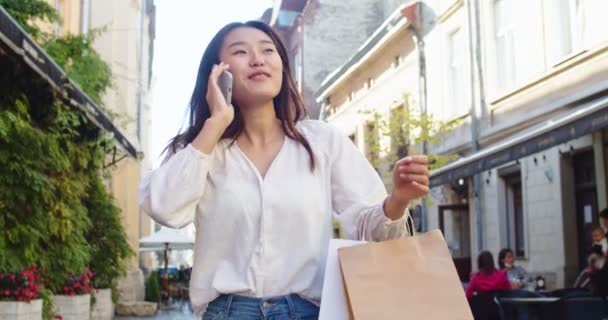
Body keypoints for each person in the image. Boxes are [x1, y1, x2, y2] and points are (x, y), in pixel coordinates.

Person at [138, 20, 430, 319]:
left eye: (268, 50)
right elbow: (165, 208)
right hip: (227, 312)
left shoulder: (321, 141)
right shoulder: (200, 149)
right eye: (241, 52)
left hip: (307, 310)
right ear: (218, 73)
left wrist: (398, 199)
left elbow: (372, 231)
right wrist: (215, 123)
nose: (258, 59)